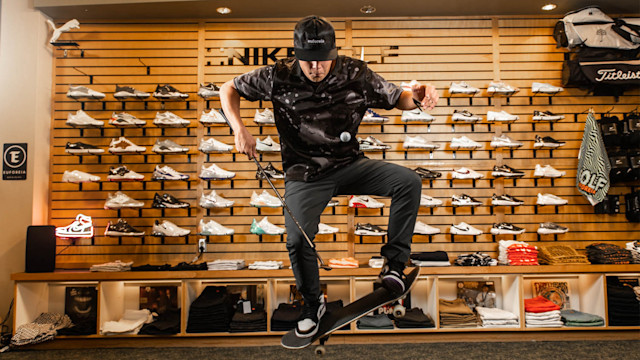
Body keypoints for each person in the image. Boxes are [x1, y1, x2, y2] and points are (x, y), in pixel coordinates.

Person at [220, 15, 438, 338]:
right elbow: (228, 89)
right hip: (304, 174)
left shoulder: (355, 72)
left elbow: (398, 98)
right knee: (296, 238)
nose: (317, 68)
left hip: (350, 164)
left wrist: (417, 97)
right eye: (308, 62)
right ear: (296, 55)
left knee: (409, 182)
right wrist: (239, 128)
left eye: (323, 61)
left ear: (334, 53)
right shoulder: (278, 75)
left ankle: (393, 265)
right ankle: (312, 304)